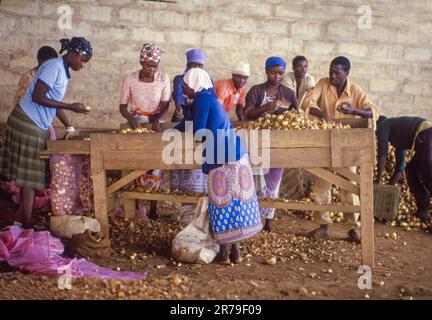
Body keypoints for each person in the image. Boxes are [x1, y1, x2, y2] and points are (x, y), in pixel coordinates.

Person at [0, 37, 92, 228]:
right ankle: (25, 224)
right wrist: (71, 106)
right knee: (29, 179)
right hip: (28, 121)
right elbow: (38, 96)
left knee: (30, 178)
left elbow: (52, 101)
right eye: (82, 60)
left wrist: (69, 126)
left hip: (35, 123)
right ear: (73, 54)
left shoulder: (62, 70)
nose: (83, 65)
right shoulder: (54, 67)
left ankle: (21, 220)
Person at [175, 68, 262, 264]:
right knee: (235, 203)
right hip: (233, 154)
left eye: (186, 86)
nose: (184, 89)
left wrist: (185, 115)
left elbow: (197, 130)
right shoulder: (203, 99)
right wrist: (173, 128)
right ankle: (235, 252)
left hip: (223, 157)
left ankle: (224, 253)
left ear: (195, 84)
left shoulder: (203, 100)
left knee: (221, 203)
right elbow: (190, 123)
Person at [301, 56, 379, 243]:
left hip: (346, 145)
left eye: (337, 72)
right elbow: (307, 103)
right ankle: (323, 226)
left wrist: (354, 111)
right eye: (331, 71)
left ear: (346, 73)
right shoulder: (322, 84)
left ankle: (352, 228)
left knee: (349, 186)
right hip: (325, 141)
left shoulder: (355, 91)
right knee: (321, 184)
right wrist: (324, 115)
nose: (332, 75)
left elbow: (374, 111)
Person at [244, 56, 297, 232]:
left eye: (280, 73)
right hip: (257, 143)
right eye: (273, 72)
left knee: (273, 181)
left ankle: (268, 220)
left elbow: (296, 116)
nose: (276, 76)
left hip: (277, 144)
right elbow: (247, 114)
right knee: (255, 179)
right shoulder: (256, 91)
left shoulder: (288, 93)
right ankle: (253, 217)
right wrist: (267, 107)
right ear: (266, 72)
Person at [118, 43, 171, 219]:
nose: (152, 69)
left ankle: (153, 205)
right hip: (137, 123)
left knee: (154, 164)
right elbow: (123, 106)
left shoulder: (163, 78)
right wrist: (131, 119)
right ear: (141, 62)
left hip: (155, 123)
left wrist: (158, 120)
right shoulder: (130, 79)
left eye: (155, 66)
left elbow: (165, 104)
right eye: (149, 65)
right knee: (137, 163)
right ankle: (138, 205)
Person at [376, 115, 432, 222]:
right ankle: (423, 210)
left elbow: (382, 154)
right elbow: (400, 168)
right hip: (424, 138)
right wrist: (389, 187)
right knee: (411, 171)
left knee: (428, 175)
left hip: (426, 134)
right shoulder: (399, 137)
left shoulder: (383, 124)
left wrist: (378, 181)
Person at [171, 49, 208, 122]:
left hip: (201, 114)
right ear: (188, 65)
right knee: (179, 132)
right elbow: (178, 94)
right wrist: (179, 107)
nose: (196, 67)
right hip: (183, 113)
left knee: (197, 132)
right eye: (194, 65)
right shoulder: (179, 79)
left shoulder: (208, 81)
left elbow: (209, 98)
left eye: (199, 65)